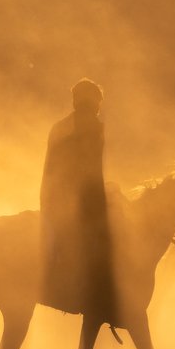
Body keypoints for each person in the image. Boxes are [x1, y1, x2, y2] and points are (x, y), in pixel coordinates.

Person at [40, 78, 116, 320]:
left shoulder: (58, 126)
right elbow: (92, 171)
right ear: (94, 102)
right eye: (97, 102)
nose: (98, 107)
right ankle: (99, 300)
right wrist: (103, 205)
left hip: (51, 200)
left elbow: (50, 169)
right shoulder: (95, 127)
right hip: (79, 204)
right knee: (107, 243)